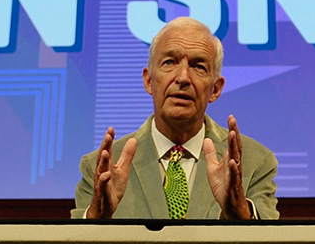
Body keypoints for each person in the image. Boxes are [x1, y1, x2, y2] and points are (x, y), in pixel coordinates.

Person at [72, 17, 278, 220]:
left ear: (215, 89)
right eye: (169, 62)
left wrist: (240, 213)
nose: (183, 78)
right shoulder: (101, 168)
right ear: (149, 81)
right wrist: (96, 218)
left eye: (198, 66)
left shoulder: (255, 162)